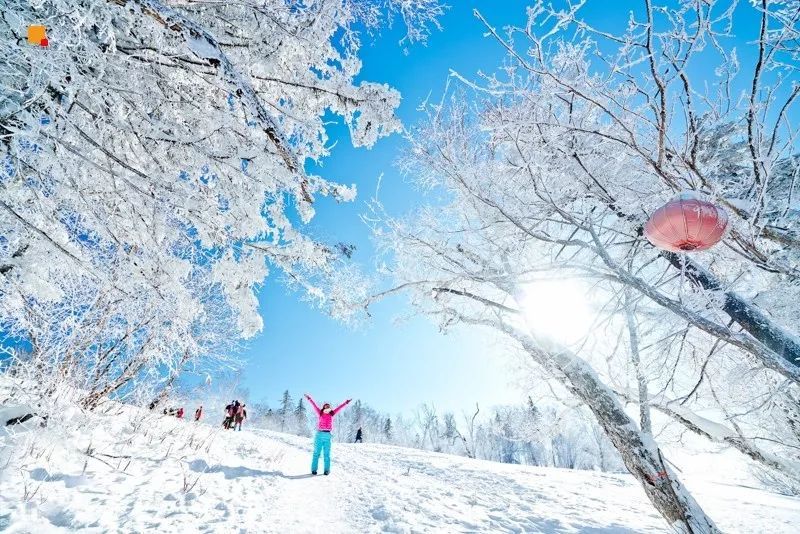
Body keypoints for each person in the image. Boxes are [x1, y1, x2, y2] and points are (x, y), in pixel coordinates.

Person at [304, 393, 351, 475]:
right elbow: (314, 405)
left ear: (330, 407)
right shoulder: (320, 413)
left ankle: (326, 470)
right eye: (325, 405)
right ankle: (314, 470)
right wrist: (309, 398)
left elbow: (340, 407)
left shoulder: (332, 413)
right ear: (323, 407)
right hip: (319, 435)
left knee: (327, 454)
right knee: (316, 453)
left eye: (328, 406)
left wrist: (346, 402)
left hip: (327, 436)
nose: (327, 406)